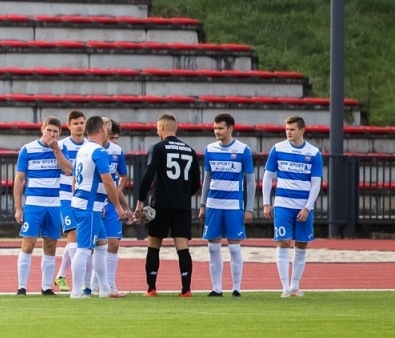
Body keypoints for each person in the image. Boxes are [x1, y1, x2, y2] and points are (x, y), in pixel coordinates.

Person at [260, 115, 324, 298]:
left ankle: (295, 286)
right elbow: (267, 177)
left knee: (301, 245)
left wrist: (307, 207)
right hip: (282, 205)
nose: (288, 132)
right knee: (283, 242)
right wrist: (266, 203)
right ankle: (285, 288)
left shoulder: (313, 153)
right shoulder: (278, 149)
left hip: (303, 206)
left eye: (292, 129)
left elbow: (316, 183)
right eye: (287, 129)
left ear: (302, 130)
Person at [68, 115, 131, 299]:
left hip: (85, 203)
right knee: (84, 248)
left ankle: (104, 289)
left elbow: (75, 179)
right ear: (103, 130)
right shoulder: (99, 152)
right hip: (89, 206)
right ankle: (76, 291)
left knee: (101, 245)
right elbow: (109, 182)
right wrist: (119, 208)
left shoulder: (83, 150)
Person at [135, 113, 199, 296]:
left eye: (157, 127)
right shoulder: (189, 150)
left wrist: (141, 201)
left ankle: (151, 288)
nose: (157, 130)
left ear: (162, 128)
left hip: (161, 203)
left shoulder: (158, 148)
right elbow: (196, 182)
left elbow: (148, 175)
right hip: (183, 205)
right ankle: (186, 290)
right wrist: (185, 195)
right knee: (182, 245)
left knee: (154, 244)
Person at [13, 116, 71, 295]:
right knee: (28, 243)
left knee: (50, 245)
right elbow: (19, 180)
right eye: (49, 130)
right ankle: (21, 287)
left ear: (60, 133)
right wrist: (18, 207)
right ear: (42, 129)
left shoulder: (62, 148)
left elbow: (68, 170)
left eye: (55, 131)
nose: (51, 134)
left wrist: (56, 150)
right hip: (33, 204)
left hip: (54, 205)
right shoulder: (28, 149)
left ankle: (46, 287)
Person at [201, 112, 255, 297]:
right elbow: (207, 179)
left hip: (233, 205)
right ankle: (216, 288)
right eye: (215, 128)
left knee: (234, 246)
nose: (217, 131)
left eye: (220, 128)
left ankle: (236, 288)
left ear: (230, 128)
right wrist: (202, 204)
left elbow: (250, 181)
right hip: (213, 205)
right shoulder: (210, 149)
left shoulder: (243, 150)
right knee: (212, 246)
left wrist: (249, 208)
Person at [92, 118, 132, 298]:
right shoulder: (90, 149)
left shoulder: (117, 151)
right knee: (95, 246)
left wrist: (119, 195)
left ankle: (110, 284)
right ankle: (92, 285)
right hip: (95, 202)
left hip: (111, 205)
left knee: (114, 244)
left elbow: (123, 176)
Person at [54, 110, 88, 292]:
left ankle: (60, 276)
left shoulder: (90, 146)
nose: (79, 126)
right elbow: (66, 170)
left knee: (77, 237)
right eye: (75, 123)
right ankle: (79, 282)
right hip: (65, 196)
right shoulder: (61, 145)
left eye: (82, 123)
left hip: (83, 197)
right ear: (69, 126)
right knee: (73, 234)